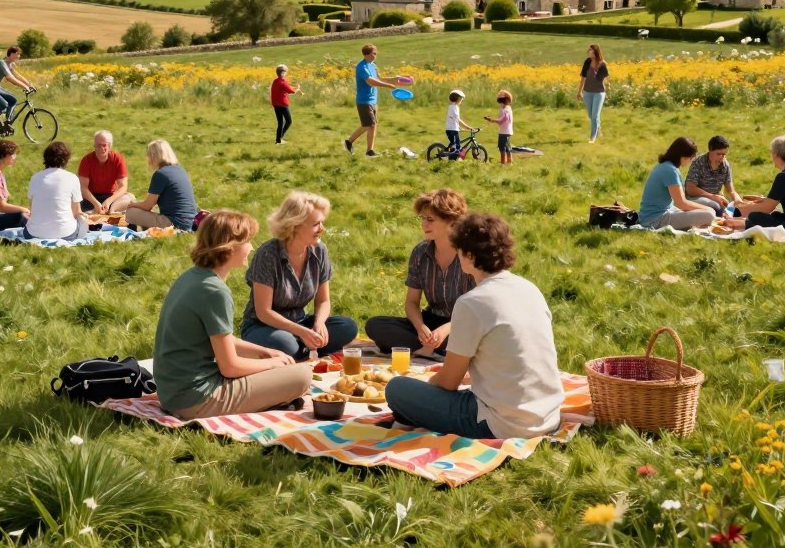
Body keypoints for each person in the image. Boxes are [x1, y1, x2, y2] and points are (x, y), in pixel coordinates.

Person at [384, 213, 564, 440]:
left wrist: (424, 388)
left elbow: (448, 382)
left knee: (398, 389)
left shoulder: (472, 302)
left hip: (501, 424)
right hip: (547, 417)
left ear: (468, 255)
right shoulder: (529, 289)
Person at [153, 210, 311, 420]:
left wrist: (265, 352)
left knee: (279, 366)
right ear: (229, 247)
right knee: (301, 376)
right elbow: (230, 367)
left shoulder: (191, 277)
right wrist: (272, 364)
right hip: (197, 400)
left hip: (172, 394)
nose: (252, 247)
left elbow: (221, 338)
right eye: (248, 241)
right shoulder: (215, 291)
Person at [241, 191, 358, 360]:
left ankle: (303, 349)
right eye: (316, 224)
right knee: (286, 344)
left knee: (347, 327)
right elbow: (263, 312)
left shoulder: (319, 251)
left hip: (300, 323)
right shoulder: (267, 255)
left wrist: (319, 324)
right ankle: (303, 348)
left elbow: (323, 300)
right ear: (295, 225)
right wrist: (302, 332)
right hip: (263, 326)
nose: (322, 229)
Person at [365, 188, 475, 357]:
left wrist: (445, 330)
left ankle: (428, 348)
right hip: (430, 320)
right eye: (423, 218)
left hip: (461, 324)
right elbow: (411, 303)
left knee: (470, 338)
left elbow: (478, 310)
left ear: (452, 221)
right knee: (375, 325)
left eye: (430, 219)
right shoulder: (420, 252)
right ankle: (431, 348)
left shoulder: (470, 254)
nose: (424, 224)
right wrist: (420, 327)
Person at [639, 136, 717, 231]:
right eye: (691, 157)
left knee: (705, 209)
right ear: (682, 156)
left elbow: (679, 202)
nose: (691, 161)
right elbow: (681, 203)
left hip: (658, 214)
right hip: (656, 220)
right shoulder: (670, 171)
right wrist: (707, 209)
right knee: (710, 214)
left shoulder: (666, 166)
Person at [343, 43, 407, 157]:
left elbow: (379, 78)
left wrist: (394, 79)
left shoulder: (373, 65)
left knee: (373, 125)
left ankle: (370, 151)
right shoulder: (361, 67)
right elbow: (371, 81)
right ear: (366, 54)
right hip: (364, 101)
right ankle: (349, 141)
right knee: (368, 124)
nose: (375, 56)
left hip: (373, 100)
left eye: (375, 53)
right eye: (373, 53)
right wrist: (388, 86)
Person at [119, 139, 197, 231]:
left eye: (149, 155)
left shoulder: (161, 174)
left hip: (175, 223)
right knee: (145, 211)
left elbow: (148, 205)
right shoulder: (180, 170)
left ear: (154, 156)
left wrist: (133, 204)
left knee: (130, 213)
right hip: (190, 221)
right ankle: (148, 230)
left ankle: (146, 230)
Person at [26, 141, 86, 241]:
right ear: (66, 159)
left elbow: (32, 208)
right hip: (66, 233)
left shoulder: (35, 177)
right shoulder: (72, 178)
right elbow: (77, 212)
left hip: (33, 233)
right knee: (83, 222)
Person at [685, 136, 746, 217]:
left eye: (724, 154)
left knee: (736, 212)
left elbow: (730, 190)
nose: (722, 157)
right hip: (696, 198)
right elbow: (690, 189)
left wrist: (737, 199)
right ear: (710, 150)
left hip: (716, 198)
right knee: (716, 207)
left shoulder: (725, 165)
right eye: (718, 154)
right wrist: (712, 197)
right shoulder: (698, 163)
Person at [77, 130, 134, 214]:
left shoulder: (118, 159)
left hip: (111, 197)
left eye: (104, 145)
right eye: (98, 145)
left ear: (110, 146)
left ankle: (111, 211)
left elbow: (123, 186)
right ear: (94, 146)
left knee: (131, 198)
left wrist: (108, 202)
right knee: (73, 201)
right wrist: (96, 204)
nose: (101, 148)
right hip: (90, 197)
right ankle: (95, 212)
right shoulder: (86, 160)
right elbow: (83, 188)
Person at [0, 47, 34, 133]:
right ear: (12, 54)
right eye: (18, 54)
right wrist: (25, 87)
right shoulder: (1, 63)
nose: (19, 56)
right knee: (4, 104)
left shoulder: (10, 64)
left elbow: (17, 76)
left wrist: (29, 85)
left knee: (13, 100)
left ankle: (7, 123)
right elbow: (9, 78)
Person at [576, 43, 609, 143]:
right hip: (587, 93)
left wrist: (606, 90)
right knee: (591, 116)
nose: (588, 51)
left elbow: (606, 79)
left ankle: (592, 138)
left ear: (595, 51)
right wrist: (579, 92)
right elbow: (583, 78)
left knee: (595, 116)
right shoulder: (587, 62)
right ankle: (598, 129)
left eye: (590, 50)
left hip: (599, 93)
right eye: (589, 50)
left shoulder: (602, 64)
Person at [270, 64, 302, 145]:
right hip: (282, 105)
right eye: (285, 72)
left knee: (280, 122)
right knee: (288, 121)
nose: (286, 73)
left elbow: (286, 87)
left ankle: (278, 140)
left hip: (276, 105)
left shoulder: (276, 81)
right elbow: (291, 91)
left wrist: (294, 87)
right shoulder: (283, 83)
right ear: (283, 73)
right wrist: (298, 89)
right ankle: (280, 138)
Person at [483, 89, 514, 164]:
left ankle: (503, 162)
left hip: (504, 132)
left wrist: (492, 120)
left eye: (501, 102)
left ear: (505, 101)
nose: (500, 104)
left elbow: (503, 120)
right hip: (507, 131)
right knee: (507, 147)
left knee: (501, 147)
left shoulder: (505, 110)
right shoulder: (508, 108)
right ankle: (509, 161)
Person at [443, 89, 473, 159]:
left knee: (454, 144)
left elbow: (453, 119)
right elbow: (458, 119)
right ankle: (452, 159)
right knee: (457, 146)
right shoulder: (455, 107)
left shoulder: (450, 106)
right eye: (461, 99)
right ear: (458, 99)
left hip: (449, 129)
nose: (461, 101)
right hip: (453, 130)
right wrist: (467, 127)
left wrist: (459, 127)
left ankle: (448, 152)